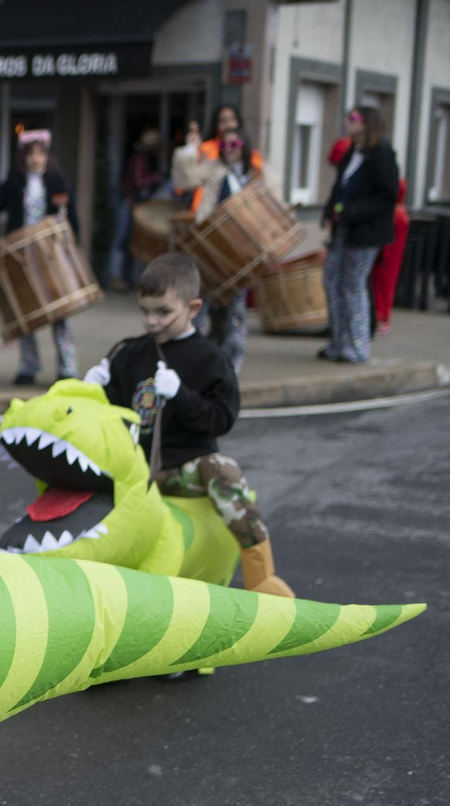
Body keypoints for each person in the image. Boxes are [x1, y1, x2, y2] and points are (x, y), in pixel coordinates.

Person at [83, 253, 293, 601]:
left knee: (221, 468)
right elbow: (111, 420)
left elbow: (221, 419)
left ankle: (261, 574)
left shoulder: (210, 358)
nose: (151, 321)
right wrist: (94, 391)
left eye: (163, 312)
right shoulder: (129, 353)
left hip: (183, 469)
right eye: (145, 311)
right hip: (135, 471)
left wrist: (181, 395)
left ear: (193, 308)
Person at [0, 128, 81, 384]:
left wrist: (74, 249)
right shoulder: (13, 183)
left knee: (60, 313)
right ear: (23, 157)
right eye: (31, 154)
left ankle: (68, 368)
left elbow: (71, 219)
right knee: (25, 313)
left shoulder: (58, 182)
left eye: (40, 154)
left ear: (47, 155)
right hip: (21, 257)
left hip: (51, 256)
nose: (36, 159)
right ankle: (29, 367)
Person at [173, 125, 277, 375]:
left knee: (237, 308)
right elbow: (185, 179)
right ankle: (193, 359)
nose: (229, 150)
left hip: (242, 249)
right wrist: (190, 150)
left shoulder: (256, 174)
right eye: (225, 145)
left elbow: (273, 201)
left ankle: (233, 362)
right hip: (212, 246)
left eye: (235, 145)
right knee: (201, 302)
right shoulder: (213, 169)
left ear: (244, 146)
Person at [321, 106, 400, 365]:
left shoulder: (381, 154)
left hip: (366, 232)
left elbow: (387, 196)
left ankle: (357, 347)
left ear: (367, 124)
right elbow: (339, 187)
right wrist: (329, 210)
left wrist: (352, 212)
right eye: (347, 116)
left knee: (352, 286)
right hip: (344, 229)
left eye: (353, 118)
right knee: (332, 280)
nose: (347, 122)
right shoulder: (351, 153)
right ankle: (337, 342)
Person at [106, 128, 164, 291]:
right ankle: (115, 277)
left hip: (139, 204)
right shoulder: (139, 159)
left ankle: (128, 278)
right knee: (121, 239)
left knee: (133, 242)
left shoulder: (149, 161)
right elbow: (139, 181)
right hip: (129, 202)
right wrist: (157, 177)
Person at [372, 177, 410, 336]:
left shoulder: (394, 214)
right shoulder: (401, 212)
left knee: (380, 286)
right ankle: (383, 317)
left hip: (386, 257)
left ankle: (380, 317)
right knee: (386, 287)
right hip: (391, 257)